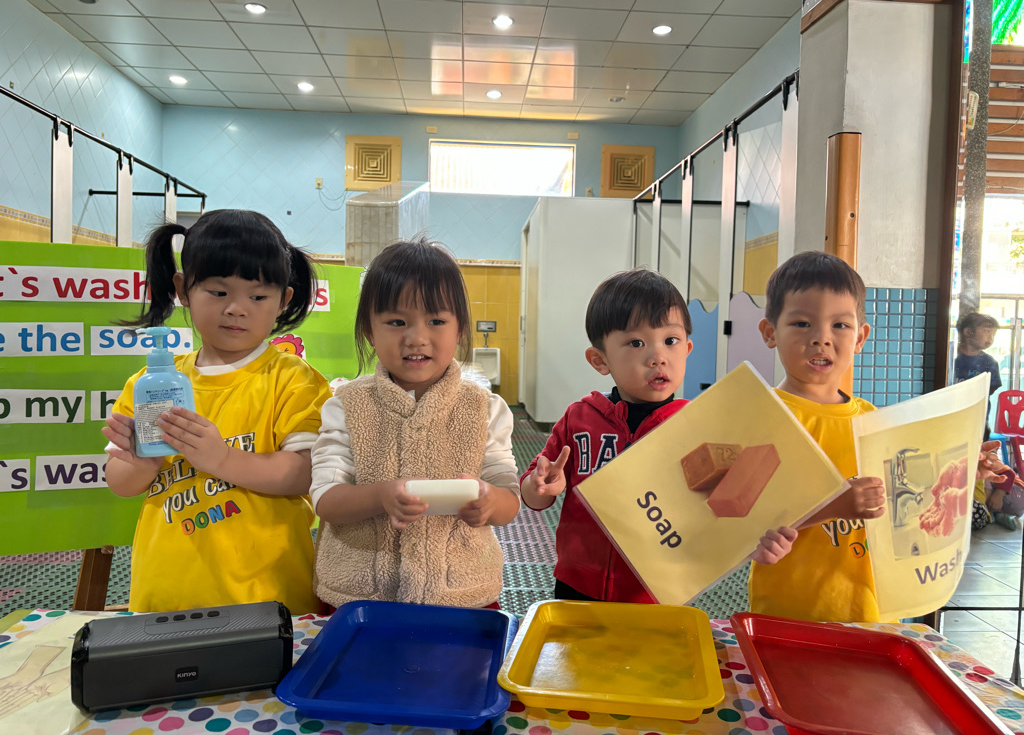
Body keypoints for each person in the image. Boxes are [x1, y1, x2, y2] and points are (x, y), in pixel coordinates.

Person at [102, 210, 330, 615]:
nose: (236, 309)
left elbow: (306, 473)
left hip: (268, 598)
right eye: (218, 292)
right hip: (164, 595)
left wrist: (222, 458)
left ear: (283, 300)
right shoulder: (149, 384)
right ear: (183, 290)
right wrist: (142, 463)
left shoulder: (293, 379)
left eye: (257, 297)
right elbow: (119, 481)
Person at [519, 269, 794, 603]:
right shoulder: (579, 419)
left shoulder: (697, 427)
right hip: (577, 584)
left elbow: (725, 513)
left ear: (687, 348)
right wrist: (539, 485)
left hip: (653, 592)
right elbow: (534, 497)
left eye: (671, 341)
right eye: (636, 343)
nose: (658, 357)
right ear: (600, 360)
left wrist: (756, 541)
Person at [310, 239, 521, 610]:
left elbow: (509, 499)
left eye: (436, 321)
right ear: (369, 331)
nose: (417, 338)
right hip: (361, 599)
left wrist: (489, 501)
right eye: (397, 322)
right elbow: (326, 499)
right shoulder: (346, 405)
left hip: (463, 596)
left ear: (459, 330)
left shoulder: (485, 409)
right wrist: (380, 496)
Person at [749, 251, 887, 623]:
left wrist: (962, 467)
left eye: (839, 325)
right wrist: (838, 503)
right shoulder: (762, 416)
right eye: (802, 323)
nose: (821, 339)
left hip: (868, 612)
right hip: (787, 614)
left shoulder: (872, 420)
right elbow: (745, 520)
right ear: (770, 333)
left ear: (860, 337)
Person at [954, 312, 1002, 440]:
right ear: (968, 332)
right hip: (951, 418)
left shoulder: (989, 362)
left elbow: (990, 389)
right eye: (986, 331)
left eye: (993, 333)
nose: (990, 337)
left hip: (978, 420)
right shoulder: (951, 357)